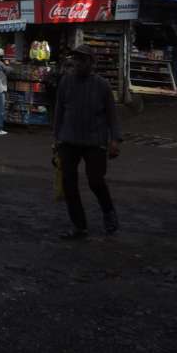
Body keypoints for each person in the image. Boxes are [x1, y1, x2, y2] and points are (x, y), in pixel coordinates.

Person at [53, 44, 121, 240]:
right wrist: (56, 138)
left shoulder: (102, 86)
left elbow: (112, 116)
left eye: (82, 59)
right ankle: (79, 226)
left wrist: (115, 140)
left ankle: (108, 211)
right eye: (76, 59)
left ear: (92, 62)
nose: (78, 63)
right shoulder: (66, 82)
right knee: (68, 183)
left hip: (95, 141)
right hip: (68, 139)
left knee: (95, 181)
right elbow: (59, 112)